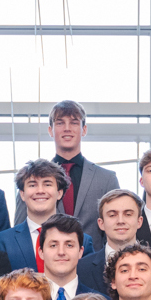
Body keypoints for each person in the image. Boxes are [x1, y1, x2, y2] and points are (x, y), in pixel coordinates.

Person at [0, 160, 94, 273]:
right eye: (32, 185)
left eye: (47, 184)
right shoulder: (1, 242)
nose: (40, 191)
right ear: (22, 194)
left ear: (59, 193)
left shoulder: (83, 241)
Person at [80, 189, 151, 299]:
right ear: (101, 223)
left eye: (128, 214)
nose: (120, 221)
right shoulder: (81, 269)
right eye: (112, 215)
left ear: (139, 221)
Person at [48, 100, 120, 246]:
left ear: (84, 129)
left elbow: (115, 231)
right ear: (50, 130)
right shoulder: (32, 181)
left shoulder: (107, 179)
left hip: (95, 265)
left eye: (74, 122)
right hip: (46, 265)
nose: (67, 129)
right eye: (60, 123)